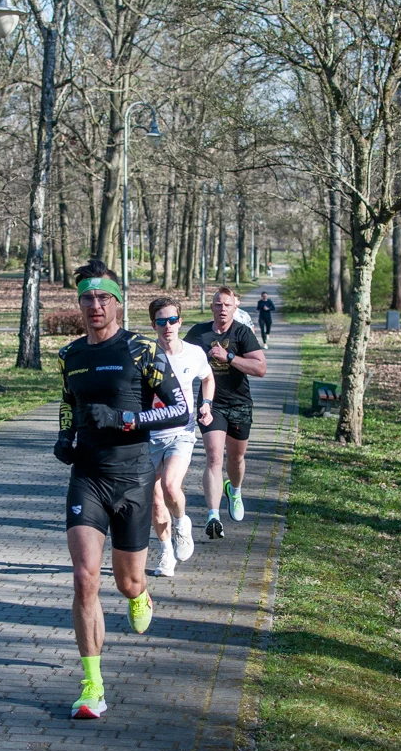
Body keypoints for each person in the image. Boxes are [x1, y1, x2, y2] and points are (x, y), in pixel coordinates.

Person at [55, 260, 190, 720]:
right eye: (87, 299)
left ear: (117, 301)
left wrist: (126, 419)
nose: (95, 306)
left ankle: (140, 594)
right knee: (84, 578)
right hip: (88, 477)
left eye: (102, 298)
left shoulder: (139, 350)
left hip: (132, 480)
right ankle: (92, 685)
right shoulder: (70, 356)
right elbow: (68, 403)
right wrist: (64, 437)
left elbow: (179, 410)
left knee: (127, 581)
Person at [184, 286, 267, 539]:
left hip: (240, 403)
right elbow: (177, 356)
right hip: (211, 403)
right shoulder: (199, 332)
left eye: (227, 305)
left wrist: (228, 356)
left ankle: (236, 490)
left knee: (236, 459)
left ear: (235, 308)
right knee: (213, 458)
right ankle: (213, 516)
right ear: (212, 307)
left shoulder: (242, 333)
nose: (222, 309)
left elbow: (260, 368)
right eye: (218, 305)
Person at [148, 297, 215, 578]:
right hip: (149, 435)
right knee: (154, 498)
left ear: (180, 322)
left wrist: (206, 404)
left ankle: (181, 524)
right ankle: (166, 554)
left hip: (181, 432)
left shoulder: (194, 353)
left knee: (171, 487)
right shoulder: (145, 355)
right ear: (154, 325)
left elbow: (208, 378)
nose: (167, 326)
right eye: (161, 321)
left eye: (172, 320)